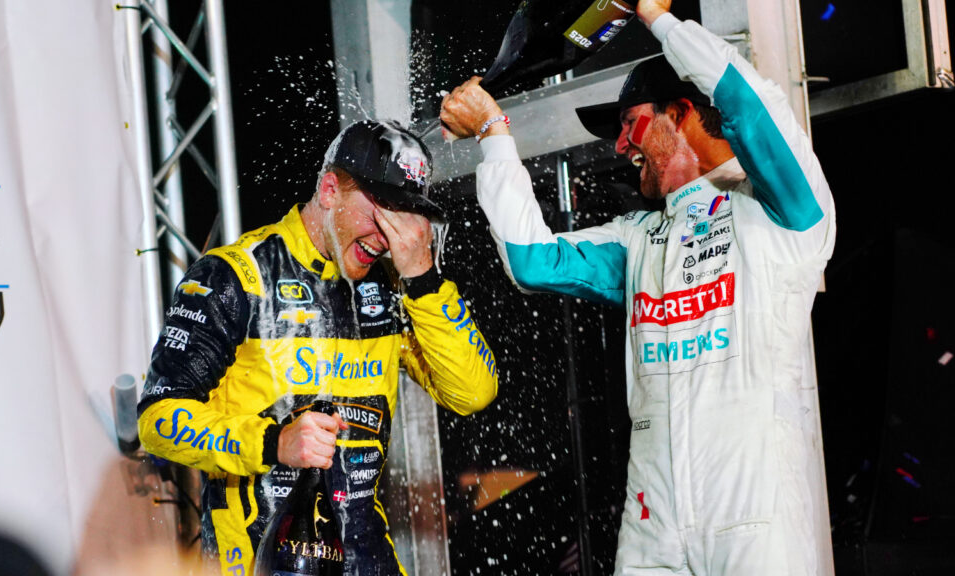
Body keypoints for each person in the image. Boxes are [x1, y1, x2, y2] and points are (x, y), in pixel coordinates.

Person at [439, 0, 836, 573]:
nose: (620, 146)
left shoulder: (782, 213)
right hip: (653, 516)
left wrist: (658, 19)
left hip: (755, 511)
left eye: (630, 123)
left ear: (681, 112)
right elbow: (530, 260)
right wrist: (492, 133)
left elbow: (749, 106)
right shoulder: (638, 239)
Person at [137, 119, 498, 576]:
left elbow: (472, 392)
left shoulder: (394, 289)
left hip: (368, 562)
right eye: (381, 214)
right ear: (329, 190)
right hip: (259, 560)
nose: (387, 239)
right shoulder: (238, 275)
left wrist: (425, 281)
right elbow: (157, 420)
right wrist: (272, 442)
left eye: (404, 219)